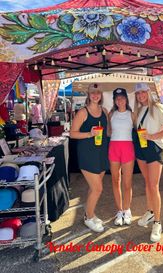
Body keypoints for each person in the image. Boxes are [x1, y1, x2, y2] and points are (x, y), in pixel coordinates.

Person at [134, 83, 163, 242]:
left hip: (154, 147)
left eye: (143, 92)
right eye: (138, 93)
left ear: (148, 92)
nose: (141, 95)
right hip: (141, 147)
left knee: (153, 185)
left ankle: (157, 222)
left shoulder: (158, 107)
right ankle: (150, 212)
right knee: (147, 183)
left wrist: (152, 137)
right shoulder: (138, 110)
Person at [70, 83, 109, 233]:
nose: (95, 95)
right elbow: (72, 133)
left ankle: (90, 213)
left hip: (101, 153)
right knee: (98, 188)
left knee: (93, 188)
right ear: (88, 94)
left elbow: (108, 131)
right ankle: (88, 217)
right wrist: (89, 134)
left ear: (101, 95)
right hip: (87, 154)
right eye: (92, 92)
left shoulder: (104, 111)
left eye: (98, 92)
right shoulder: (83, 112)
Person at [108, 88, 135, 226]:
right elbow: (107, 132)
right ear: (114, 100)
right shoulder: (111, 114)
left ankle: (127, 209)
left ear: (126, 99)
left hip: (128, 148)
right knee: (115, 180)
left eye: (122, 97)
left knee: (127, 182)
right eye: (117, 98)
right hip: (114, 148)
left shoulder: (132, 114)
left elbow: (140, 130)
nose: (120, 100)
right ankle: (119, 210)